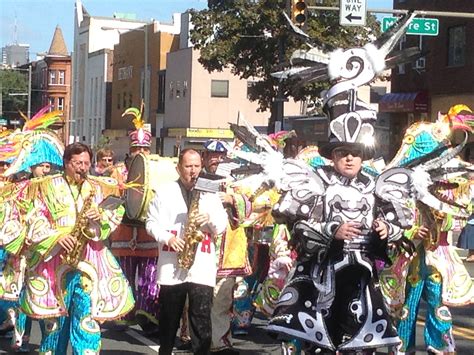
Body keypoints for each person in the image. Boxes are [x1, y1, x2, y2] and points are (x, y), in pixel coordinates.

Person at [18, 142, 134, 354]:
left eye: (87, 163)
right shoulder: (45, 186)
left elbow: (115, 212)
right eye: (78, 163)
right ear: (66, 163)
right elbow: (33, 217)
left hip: (89, 262)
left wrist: (101, 217)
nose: (83, 168)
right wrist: (56, 237)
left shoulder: (100, 187)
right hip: (53, 263)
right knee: (54, 326)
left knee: (87, 322)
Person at [146, 148, 227, 355]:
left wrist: (208, 218)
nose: (193, 171)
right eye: (188, 166)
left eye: (197, 166)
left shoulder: (209, 193)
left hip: (202, 264)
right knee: (169, 320)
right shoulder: (165, 191)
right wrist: (168, 238)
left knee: (201, 320)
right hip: (172, 263)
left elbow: (222, 225)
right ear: (178, 168)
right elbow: (151, 223)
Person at [108, 107, 160, 335]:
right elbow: (110, 199)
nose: (140, 151)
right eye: (137, 148)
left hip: (148, 232)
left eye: (144, 148)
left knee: (150, 276)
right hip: (124, 232)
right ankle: (124, 312)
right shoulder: (118, 172)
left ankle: (147, 313)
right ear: (130, 149)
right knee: (125, 275)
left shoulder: (156, 169)